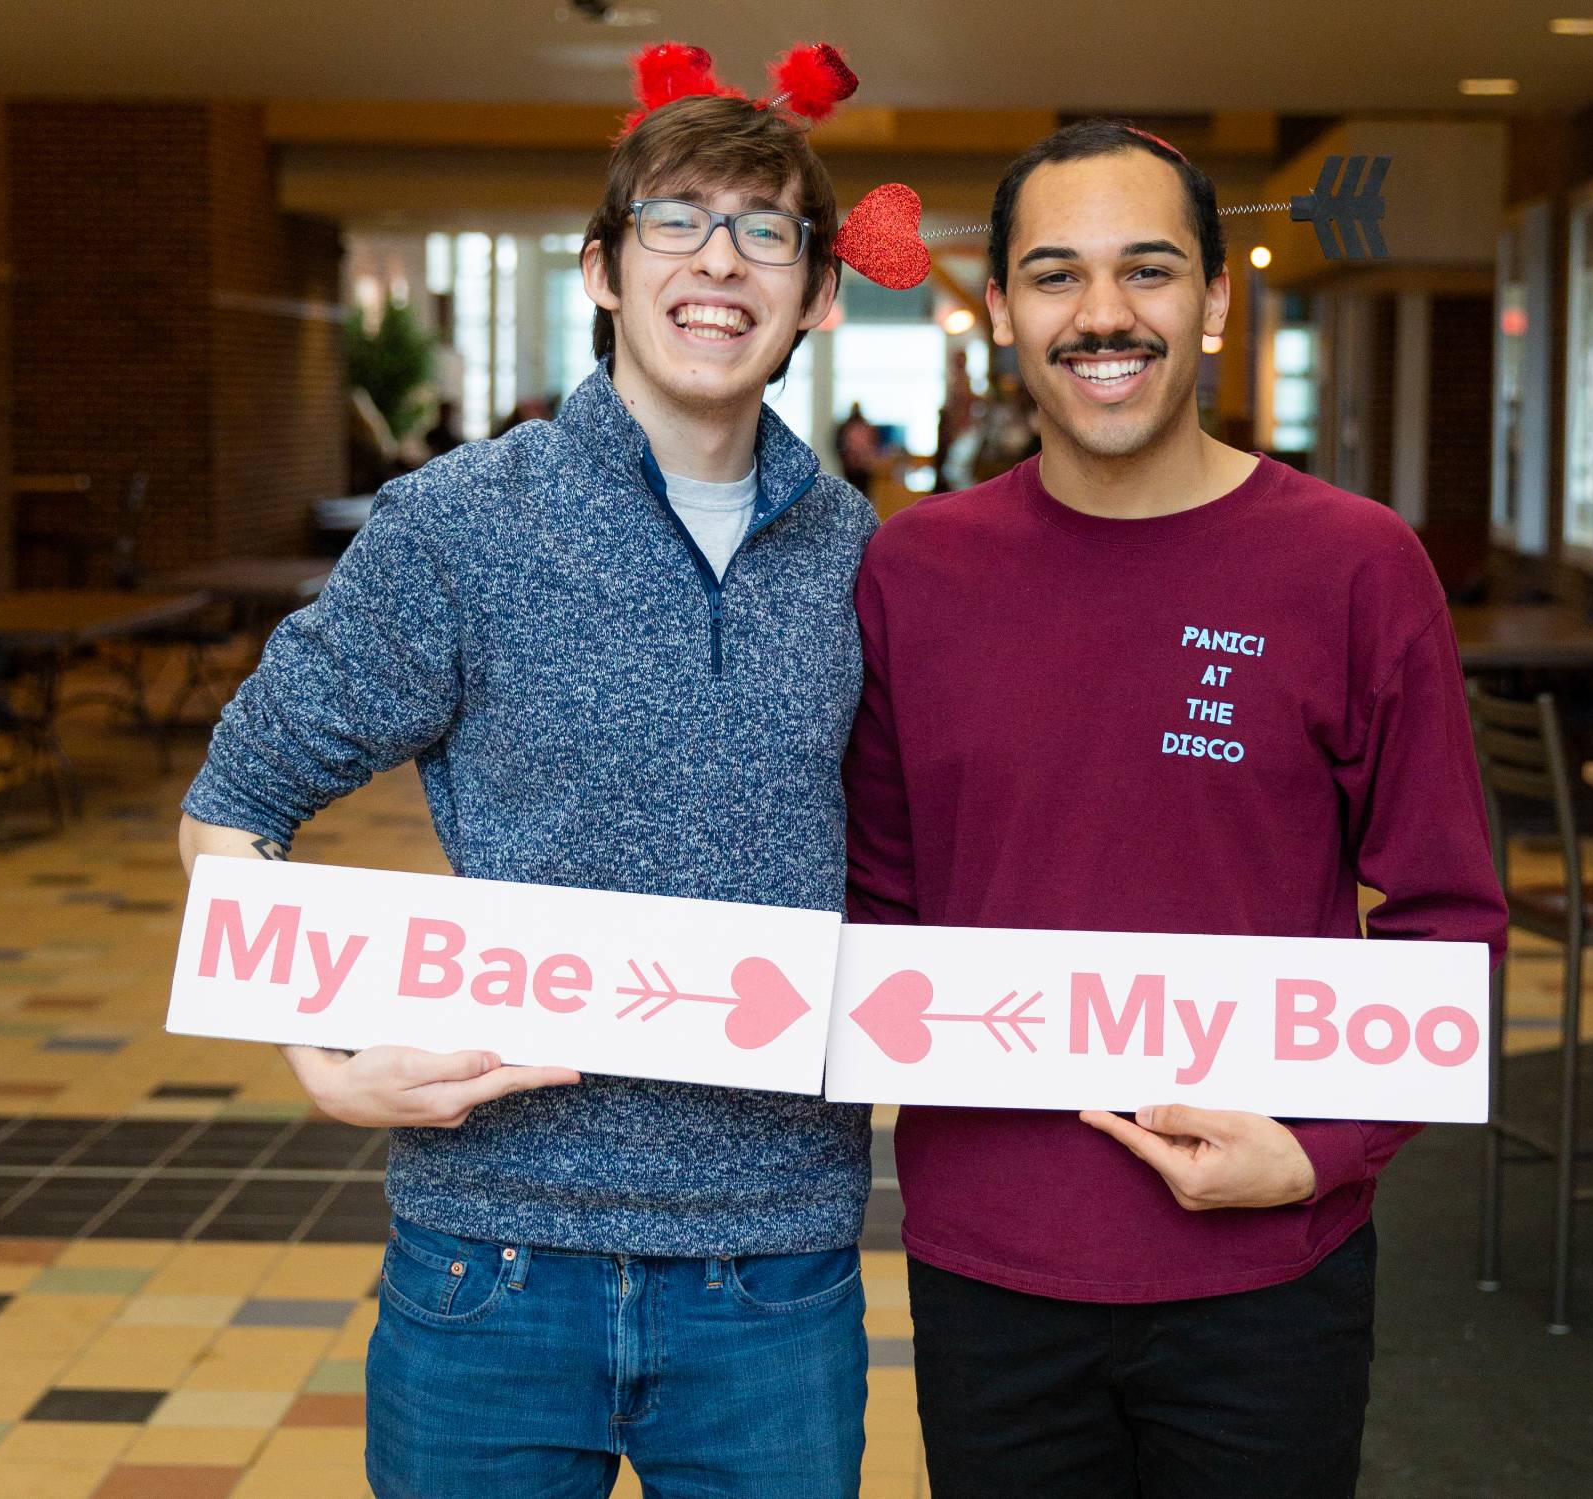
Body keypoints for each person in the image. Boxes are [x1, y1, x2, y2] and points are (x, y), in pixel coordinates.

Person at [179, 90, 876, 1499]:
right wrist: (317, 1050)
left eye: (763, 231)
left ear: (820, 294)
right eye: (673, 221)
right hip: (490, 1255)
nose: (718, 260)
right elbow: (236, 801)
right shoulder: (457, 528)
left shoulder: (872, 558)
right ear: (603, 272)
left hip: (776, 1264)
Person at [843, 120, 1508, 1498]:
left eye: (1147, 271)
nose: (1102, 316)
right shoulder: (914, 573)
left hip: (1272, 1261)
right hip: (991, 1269)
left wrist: (1323, 1152)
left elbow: (1451, 917)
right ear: (1005, 308)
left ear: (1213, 299)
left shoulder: (1356, 568)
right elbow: (878, 913)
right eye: (1055, 275)